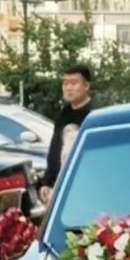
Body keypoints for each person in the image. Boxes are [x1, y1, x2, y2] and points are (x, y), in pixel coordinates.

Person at [40, 63, 93, 202]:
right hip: (62, 184)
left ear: (86, 86)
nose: (68, 88)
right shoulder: (63, 114)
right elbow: (55, 150)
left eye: (73, 83)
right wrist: (47, 182)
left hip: (86, 184)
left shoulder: (94, 115)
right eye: (65, 83)